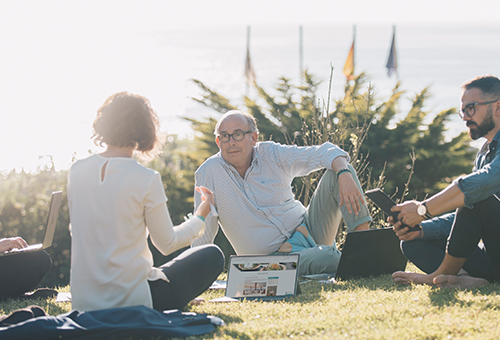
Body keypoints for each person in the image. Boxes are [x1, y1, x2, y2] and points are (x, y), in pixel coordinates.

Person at [68, 92, 224, 312]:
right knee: (212, 254)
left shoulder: (77, 171)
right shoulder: (145, 178)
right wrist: (201, 216)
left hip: (84, 304)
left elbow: (77, 231)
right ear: (145, 128)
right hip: (134, 301)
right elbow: (167, 243)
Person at [192, 109, 372, 275]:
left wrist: (344, 172)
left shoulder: (271, 153)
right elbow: (202, 231)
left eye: (238, 134)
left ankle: (364, 250)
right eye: (224, 136)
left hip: (309, 229)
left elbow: (326, 152)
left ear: (253, 138)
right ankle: (361, 266)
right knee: (328, 257)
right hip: (271, 262)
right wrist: (196, 277)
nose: (231, 142)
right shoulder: (208, 173)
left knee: (339, 170)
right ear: (218, 142)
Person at [391, 75, 500, 288]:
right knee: (413, 241)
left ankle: (441, 275)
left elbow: (479, 187)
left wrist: (423, 209)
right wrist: (421, 228)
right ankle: (470, 280)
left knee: (476, 196)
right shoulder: (484, 153)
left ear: (498, 107)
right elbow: (468, 218)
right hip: (494, 254)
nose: (465, 117)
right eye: (463, 111)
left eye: (471, 108)